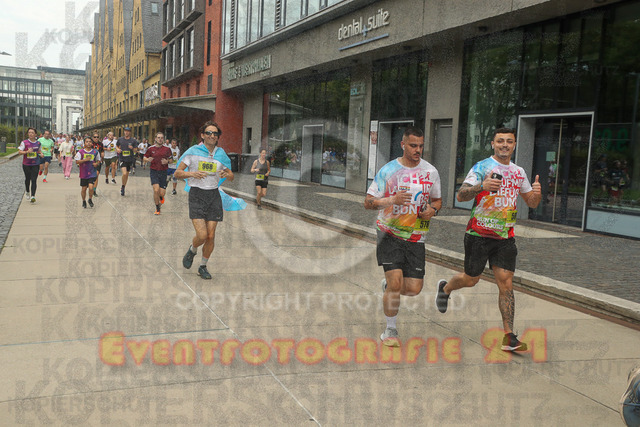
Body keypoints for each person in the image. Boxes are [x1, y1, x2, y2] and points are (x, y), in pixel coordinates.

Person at [435, 127, 541, 352]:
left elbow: (531, 202)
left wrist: (537, 194)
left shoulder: (519, 172)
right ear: (493, 144)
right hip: (478, 235)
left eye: (509, 141)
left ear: (514, 145)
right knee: (471, 279)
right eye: (500, 141)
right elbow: (461, 195)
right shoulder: (481, 167)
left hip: (505, 237)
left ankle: (509, 336)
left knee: (506, 283)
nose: (505, 145)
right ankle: (445, 288)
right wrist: (481, 186)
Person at [364, 127, 442, 347]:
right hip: (389, 233)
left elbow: (437, 200)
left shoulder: (431, 172)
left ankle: (389, 288)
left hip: (416, 237)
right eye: (413, 145)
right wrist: (391, 200)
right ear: (403, 145)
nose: (418, 150)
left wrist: (433, 210)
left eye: (421, 146)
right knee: (396, 281)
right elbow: (368, 202)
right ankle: (390, 329)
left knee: (414, 289)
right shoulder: (389, 170)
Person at [174, 122, 237, 280]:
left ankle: (203, 266)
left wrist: (227, 175)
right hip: (196, 195)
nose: (212, 136)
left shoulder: (221, 154)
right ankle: (192, 250)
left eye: (215, 134)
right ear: (202, 135)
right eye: (208, 133)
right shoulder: (193, 152)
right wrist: (192, 174)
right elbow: (177, 173)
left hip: (213, 195)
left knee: (210, 236)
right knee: (202, 235)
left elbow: (231, 176)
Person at [144, 132, 172, 215]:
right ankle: (157, 208)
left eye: (162, 138)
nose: (160, 139)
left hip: (163, 172)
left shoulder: (167, 149)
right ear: (155, 139)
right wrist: (147, 160)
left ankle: (161, 196)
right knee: (156, 190)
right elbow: (144, 157)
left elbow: (171, 160)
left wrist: (167, 161)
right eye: (158, 138)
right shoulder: (150, 149)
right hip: (154, 171)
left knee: (162, 193)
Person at [18, 127, 44, 203]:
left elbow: (39, 151)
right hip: (26, 164)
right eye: (29, 132)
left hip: (35, 163)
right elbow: (19, 152)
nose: (30, 134)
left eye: (32, 132)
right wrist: (26, 152)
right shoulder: (24, 142)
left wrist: (41, 154)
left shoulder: (38, 143)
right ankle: (27, 191)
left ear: (35, 134)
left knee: (34, 179)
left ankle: (33, 196)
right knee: (27, 178)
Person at [75, 136, 101, 208]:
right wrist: (84, 160)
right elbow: (77, 161)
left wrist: (96, 164)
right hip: (84, 173)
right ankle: (83, 200)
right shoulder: (81, 152)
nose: (88, 143)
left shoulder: (95, 152)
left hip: (92, 172)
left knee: (91, 187)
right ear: (84, 143)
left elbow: (99, 160)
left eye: (90, 142)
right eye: (87, 142)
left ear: (92, 143)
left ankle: (90, 199)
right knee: (84, 189)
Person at [116, 127, 138, 196]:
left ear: (130, 132)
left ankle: (123, 186)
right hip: (122, 158)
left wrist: (132, 148)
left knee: (127, 175)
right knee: (124, 173)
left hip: (129, 159)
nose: (126, 132)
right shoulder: (120, 139)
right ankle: (123, 187)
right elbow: (116, 146)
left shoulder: (133, 141)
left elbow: (136, 150)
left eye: (128, 131)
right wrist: (117, 149)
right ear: (124, 132)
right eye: (125, 131)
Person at [91, 132, 104, 197]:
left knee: (96, 175)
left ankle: (94, 190)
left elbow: (102, 151)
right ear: (92, 137)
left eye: (97, 137)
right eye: (95, 137)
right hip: (90, 161)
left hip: (98, 161)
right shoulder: (90, 143)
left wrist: (102, 155)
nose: (96, 138)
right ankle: (90, 187)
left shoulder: (101, 144)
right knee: (91, 176)